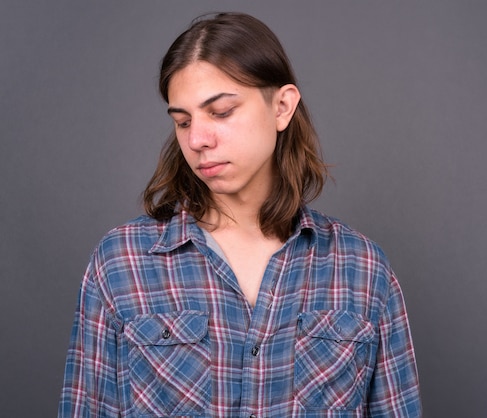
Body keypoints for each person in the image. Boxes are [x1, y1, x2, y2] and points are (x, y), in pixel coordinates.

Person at [59, 12, 422, 417]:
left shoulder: (364, 270)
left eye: (221, 112)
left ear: (282, 106)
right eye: (183, 121)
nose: (197, 139)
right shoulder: (120, 263)